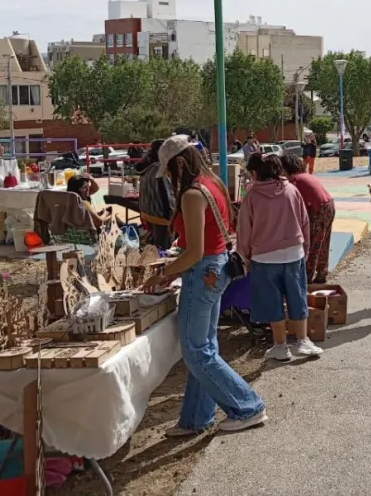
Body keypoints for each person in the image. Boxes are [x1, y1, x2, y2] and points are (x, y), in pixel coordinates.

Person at [142, 137, 268, 435]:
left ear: (180, 163)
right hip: (216, 268)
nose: (170, 178)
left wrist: (163, 274)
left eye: (170, 171)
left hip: (203, 272)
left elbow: (195, 251)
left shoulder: (192, 194)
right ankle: (197, 417)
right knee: (204, 348)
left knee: (197, 351)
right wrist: (174, 271)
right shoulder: (213, 183)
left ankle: (248, 406)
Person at [238, 153, 322, 362]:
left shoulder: (252, 197)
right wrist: (305, 248)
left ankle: (280, 345)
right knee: (297, 295)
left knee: (272, 301)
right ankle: (302, 341)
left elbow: (244, 231)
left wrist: (245, 256)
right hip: (294, 252)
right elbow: (304, 222)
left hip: (264, 257)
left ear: (255, 173)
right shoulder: (292, 191)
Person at [281, 154, 336, 284]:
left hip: (318, 209)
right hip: (328, 205)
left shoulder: (293, 181)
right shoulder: (304, 176)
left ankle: (307, 276)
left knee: (312, 243)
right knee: (323, 241)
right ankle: (321, 272)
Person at [136, 139, 175, 249]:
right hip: (162, 219)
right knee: (166, 250)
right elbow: (169, 200)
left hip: (150, 216)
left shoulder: (147, 168)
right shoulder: (160, 171)